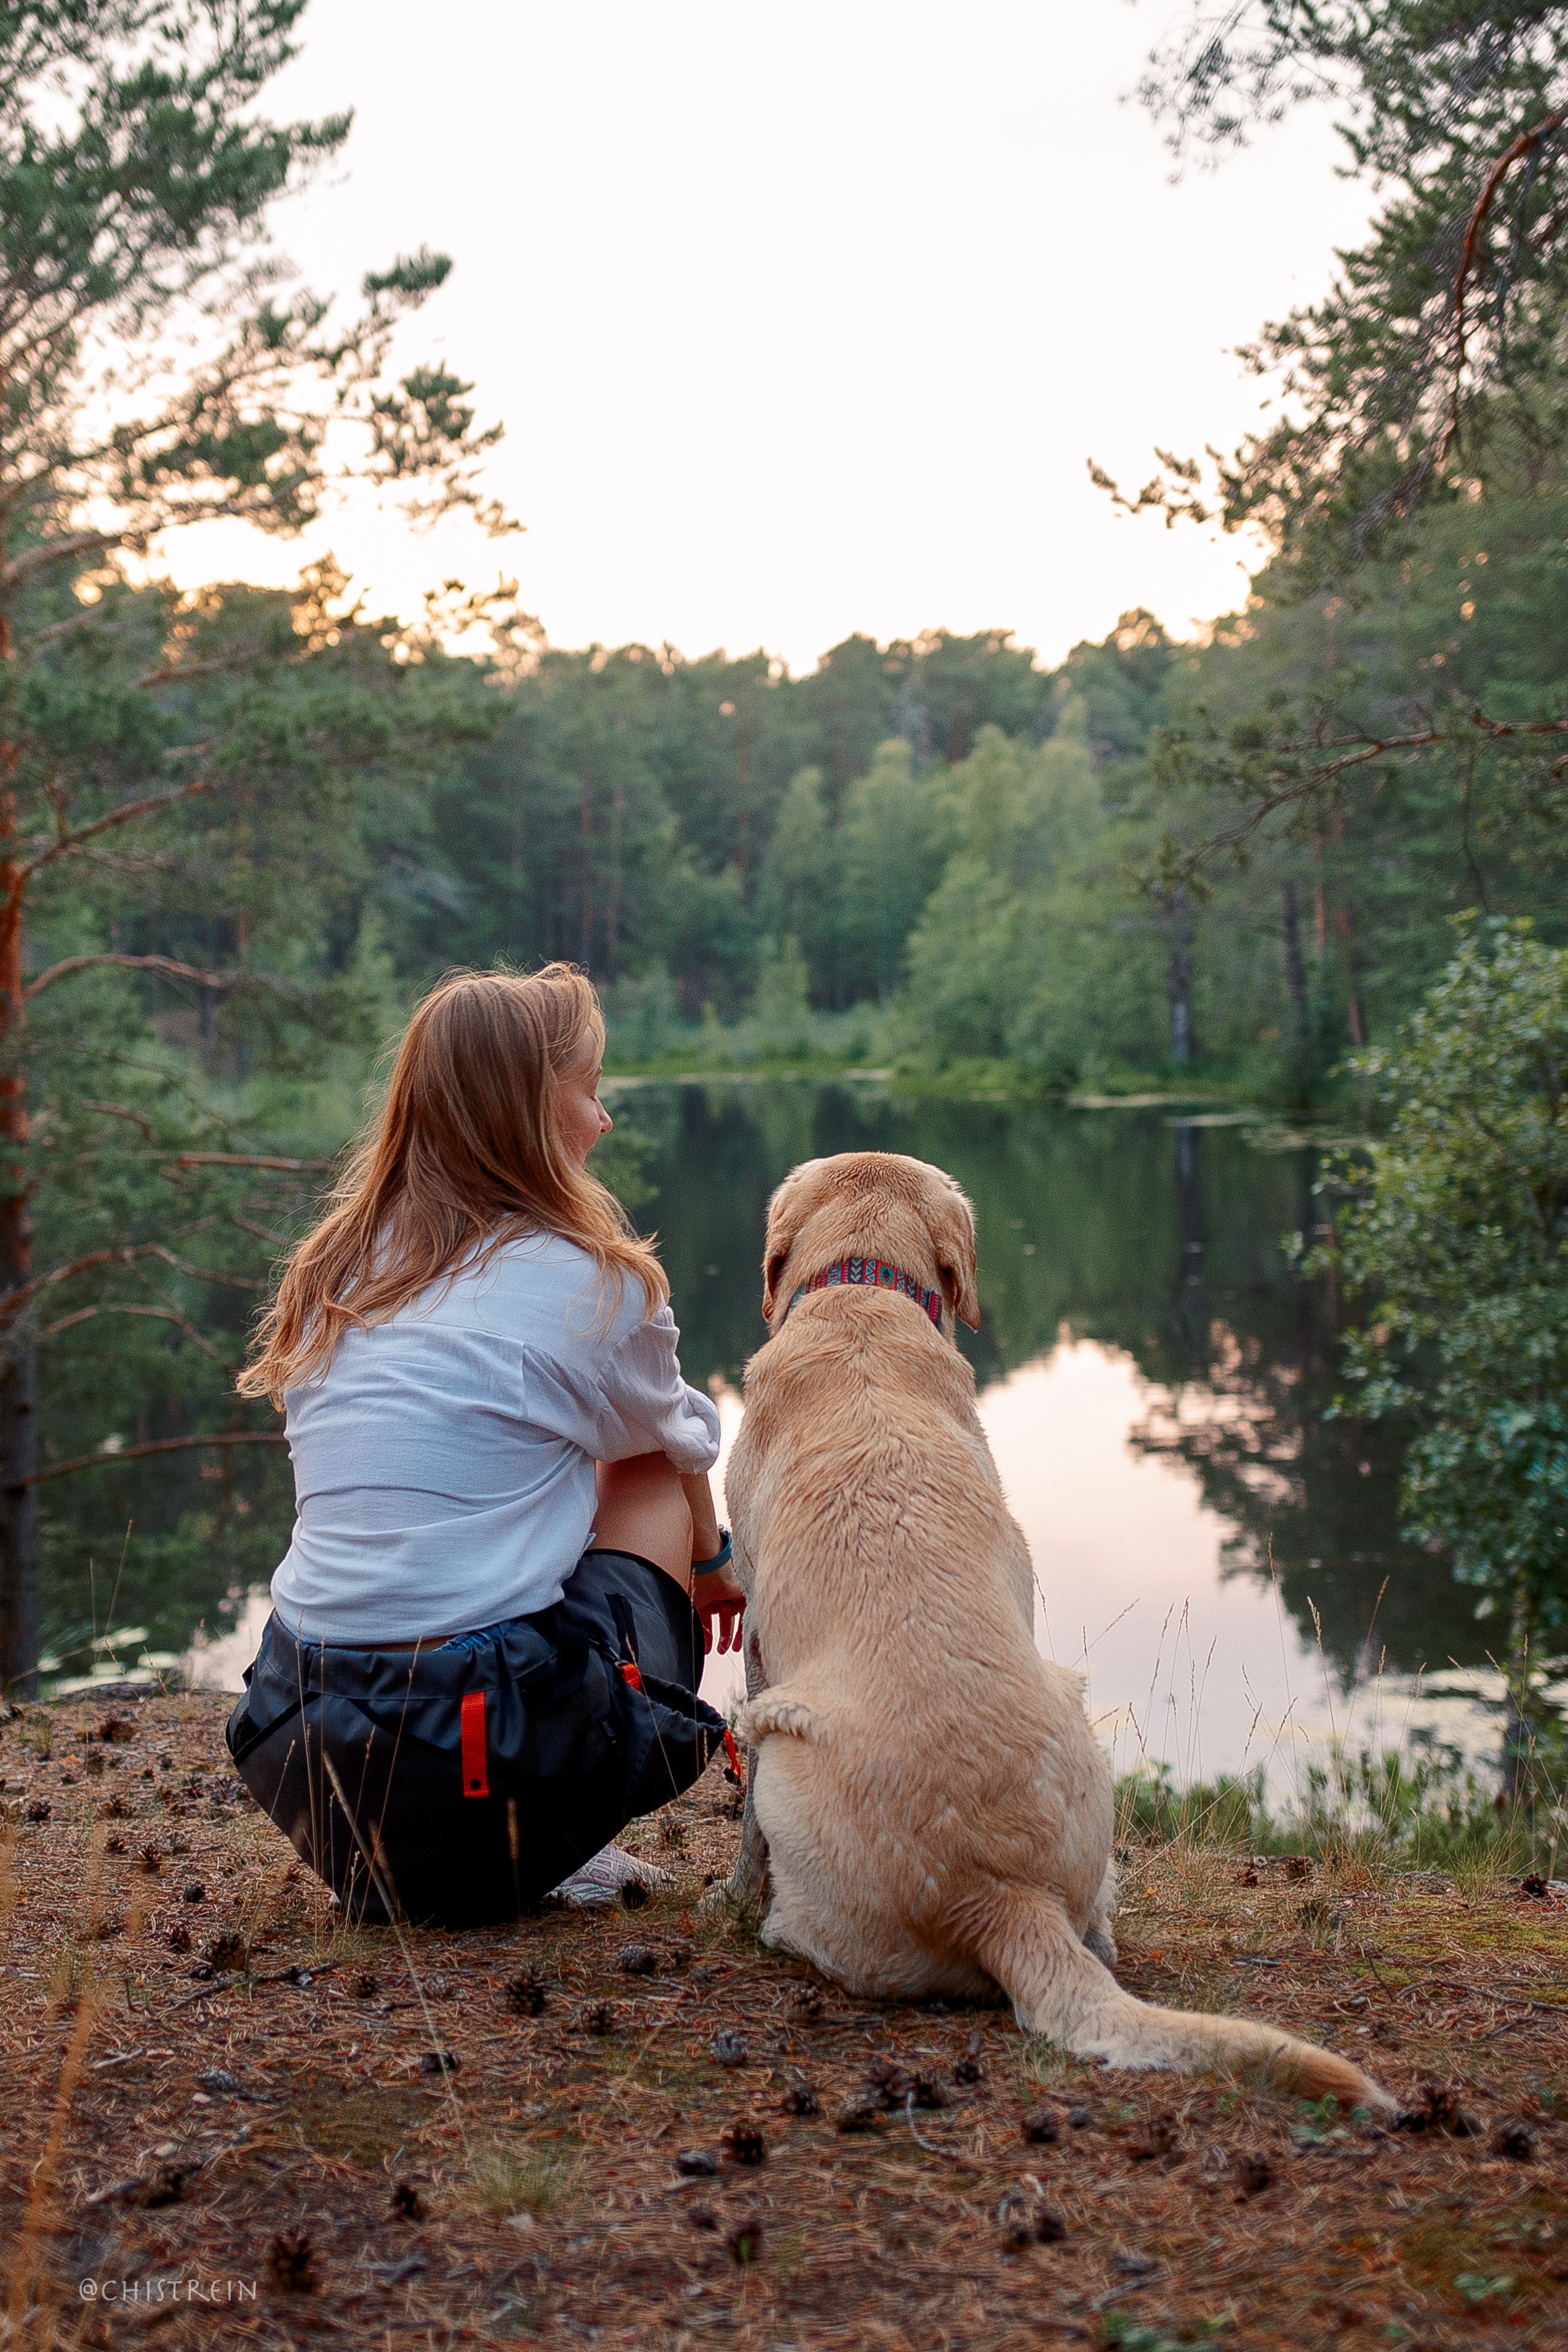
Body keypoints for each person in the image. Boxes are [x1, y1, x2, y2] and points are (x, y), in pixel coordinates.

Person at [225, 964, 746, 1925]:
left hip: (304, 1748)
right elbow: (678, 1449)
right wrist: (714, 1565)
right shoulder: (594, 1282)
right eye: (587, 1092)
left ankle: (483, 1849)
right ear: (528, 1114)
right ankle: (546, 1833)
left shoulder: (331, 1266)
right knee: (640, 1461)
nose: (602, 1121)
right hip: (487, 1763)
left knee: (550, 1446)